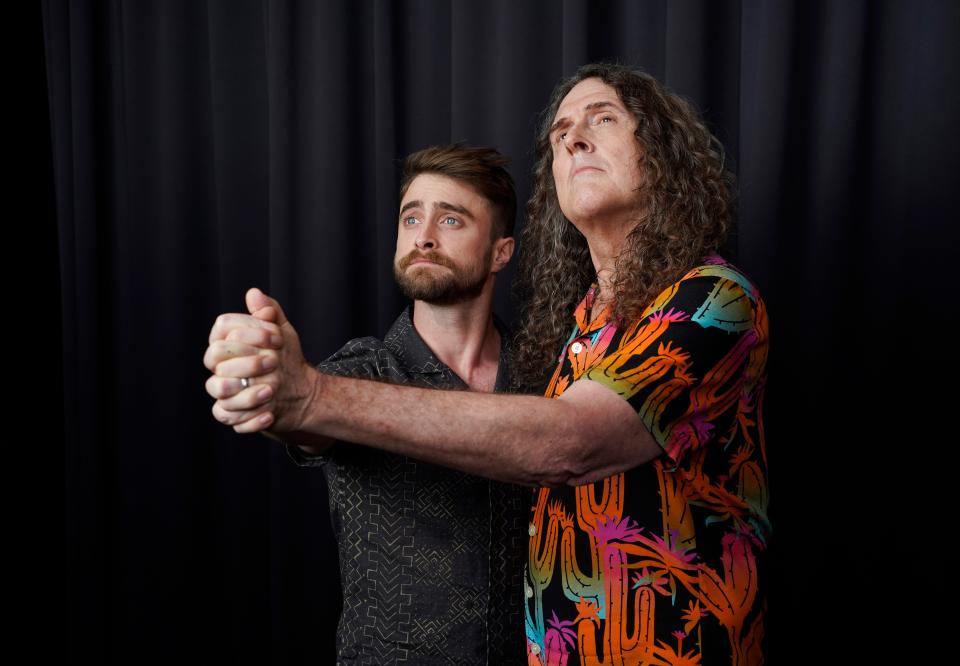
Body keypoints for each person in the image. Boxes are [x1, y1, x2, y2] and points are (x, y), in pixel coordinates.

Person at [206, 63, 770, 665]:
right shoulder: (570, 338)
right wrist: (270, 384)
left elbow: (571, 442)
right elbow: (307, 429)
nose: (574, 137)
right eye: (560, 134)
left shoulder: (713, 300)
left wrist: (312, 394)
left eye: (603, 119)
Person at [205, 144, 528, 665]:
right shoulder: (360, 371)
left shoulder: (544, 378)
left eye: (451, 220)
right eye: (411, 218)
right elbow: (306, 419)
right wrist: (275, 392)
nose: (423, 236)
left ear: (500, 253)